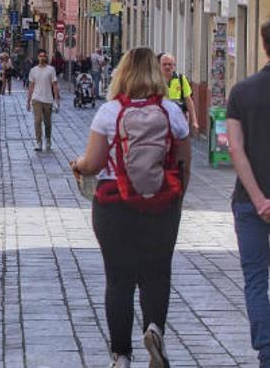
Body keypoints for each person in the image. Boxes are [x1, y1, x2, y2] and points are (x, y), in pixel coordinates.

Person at [69, 47, 191, 368]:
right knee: (157, 273)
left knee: (118, 280)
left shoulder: (109, 112)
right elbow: (183, 166)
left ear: (122, 72)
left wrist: (78, 163)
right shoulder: (172, 112)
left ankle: (121, 355)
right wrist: (174, 203)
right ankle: (154, 329)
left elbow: (93, 164)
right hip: (161, 205)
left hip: (114, 206)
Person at [226, 18, 270, 368]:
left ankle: (268, 352)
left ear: (264, 46)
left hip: (248, 203)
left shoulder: (241, 91)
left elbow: (236, 150)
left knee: (255, 280)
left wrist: (258, 198)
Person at [26, 49, 61, 152]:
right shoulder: (33, 70)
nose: (42, 58)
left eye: (44, 56)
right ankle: (38, 142)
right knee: (37, 121)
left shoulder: (51, 70)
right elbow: (31, 86)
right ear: (38, 57)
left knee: (47, 122)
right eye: (40, 56)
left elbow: (54, 85)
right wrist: (28, 101)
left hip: (48, 99)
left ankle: (48, 139)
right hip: (36, 99)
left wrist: (57, 98)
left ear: (46, 57)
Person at [159, 53, 199, 132]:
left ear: (174, 66)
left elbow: (189, 100)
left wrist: (194, 121)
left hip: (179, 119)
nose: (167, 67)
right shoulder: (155, 80)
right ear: (159, 66)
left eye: (169, 64)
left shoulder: (181, 79)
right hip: (161, 119)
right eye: (164, 64)